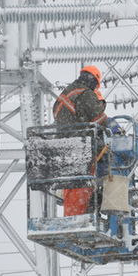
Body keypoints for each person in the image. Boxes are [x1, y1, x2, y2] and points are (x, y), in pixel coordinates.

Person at [52, 66, 107, 215]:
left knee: (72, 185)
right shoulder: (86, 94)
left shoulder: (64, 95)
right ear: (94, 82)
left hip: (64, 148)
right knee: (82, 184)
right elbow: (101, 119)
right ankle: (80, 216)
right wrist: (113, 129)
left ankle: (74, 214)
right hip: (81, 147)